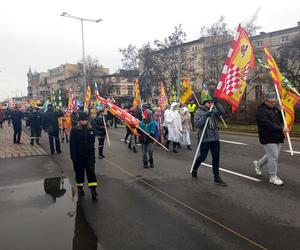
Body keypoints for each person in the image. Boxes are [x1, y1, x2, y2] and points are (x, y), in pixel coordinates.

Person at [253, 91, 289, 186]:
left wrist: (282, 111)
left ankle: (258, 164)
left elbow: (281, 120)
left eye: (274, 101)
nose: (273, 103)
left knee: (273, 155)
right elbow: (267, 124)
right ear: (265, 100)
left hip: (277, 136)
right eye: (270, 101)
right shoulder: (261, 111)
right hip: (267, 136)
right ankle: (273, 177)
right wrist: (281, 129)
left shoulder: (275, 109)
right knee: (273, 157)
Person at [191, 96, 227, 186]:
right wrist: (205, 115)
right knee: (202, 157)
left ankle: (216, 177)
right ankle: (195, 168)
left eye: (211, 102)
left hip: (215, 138)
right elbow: (197, 125)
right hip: (205, 138)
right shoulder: (199, 112)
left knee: (216, 158)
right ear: (204, 104)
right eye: (208, 103)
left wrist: (217, 103)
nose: (210, 104)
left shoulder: (213, 111)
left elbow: (222, 112)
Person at [70, 112, 98, 200]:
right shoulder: (74, 130)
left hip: (89, 155)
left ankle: (93, 189)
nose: (84, 122)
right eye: (82, 120)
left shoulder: (91, 130)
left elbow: (93, 142)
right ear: (79, 121)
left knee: (91, 172)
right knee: (79, 173)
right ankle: (80, 188)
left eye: (86, 120)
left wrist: (93, 156)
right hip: (78, 156)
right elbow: (72, 145)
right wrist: (73, 157)